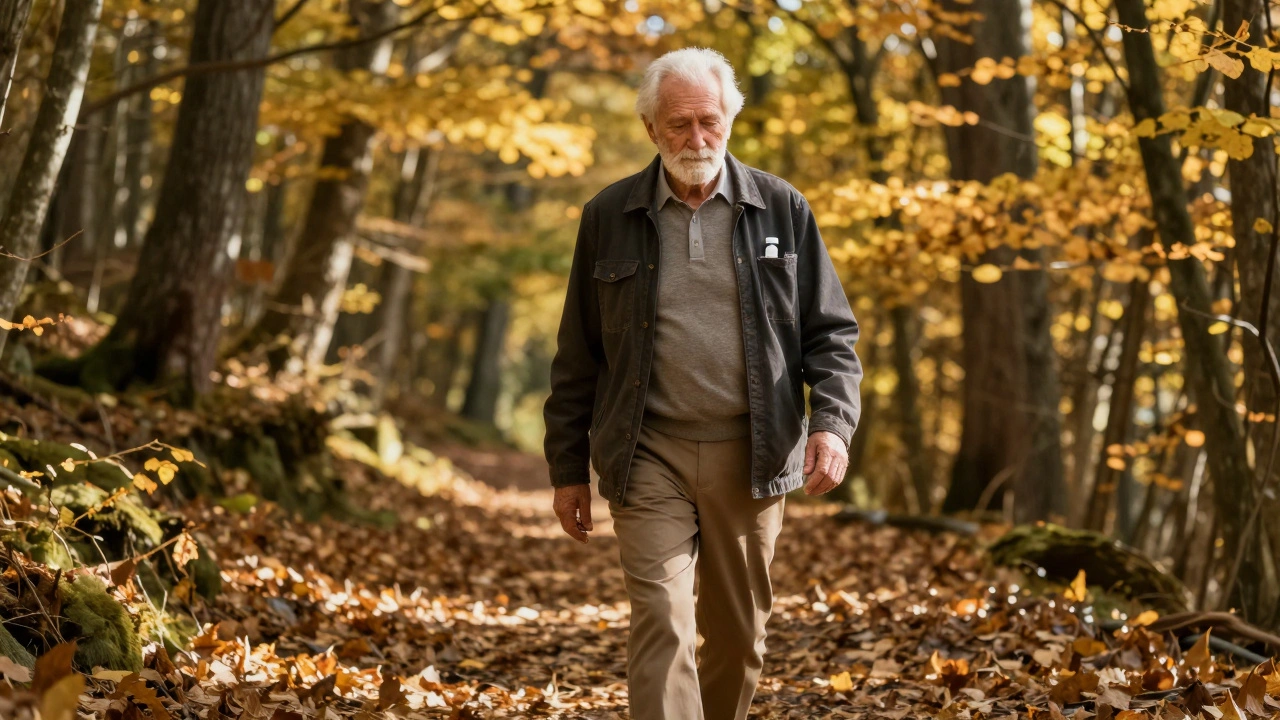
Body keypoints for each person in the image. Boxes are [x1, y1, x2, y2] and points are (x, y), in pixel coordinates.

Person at [542, 47, 863, 720]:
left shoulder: (782, 208)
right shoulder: (608, 215)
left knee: (739, 640)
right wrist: (567, 470)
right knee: (662, 620)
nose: (697, 138)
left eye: (709, 121)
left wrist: (832, 425)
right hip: (646, 450)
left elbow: (830, 333)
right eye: (679, 124)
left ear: (730, 120)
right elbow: (579, 354)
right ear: (650, 128)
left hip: (753, 452)